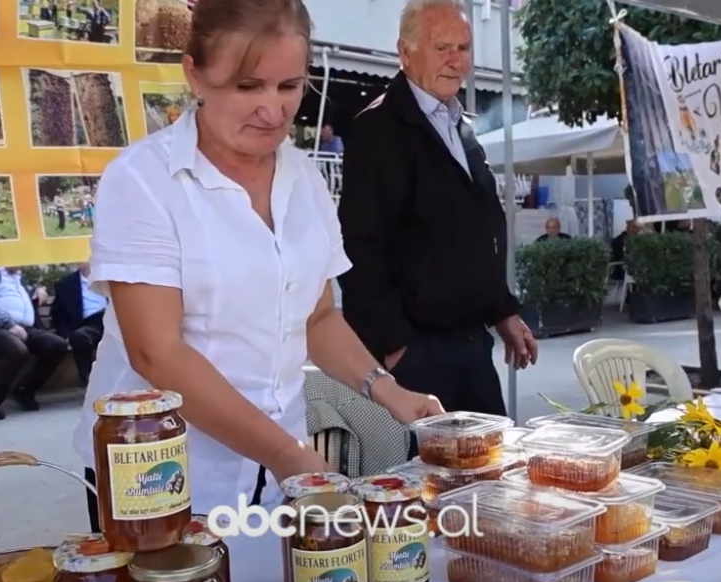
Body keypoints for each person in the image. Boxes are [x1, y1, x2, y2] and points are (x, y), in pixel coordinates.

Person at [71, 0, 444, 529]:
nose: (273, 111)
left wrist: (389, 392)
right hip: (156, 477)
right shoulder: (143, 181)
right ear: (194, 75)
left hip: (275, 474)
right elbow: (157, 353)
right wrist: (286, 454)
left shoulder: (306, 180)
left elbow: (315, 319)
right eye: (248, 87)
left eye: (289, 86)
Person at [338, 0, 536, 432]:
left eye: (463, 47)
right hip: (416, 353)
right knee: (428, 488)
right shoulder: (377, 130)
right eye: (442, 46)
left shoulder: (461, 126)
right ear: (405, 53)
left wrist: (502, 310)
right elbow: (359, 247)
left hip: (470, 343)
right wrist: (394, 349)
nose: (455, 60)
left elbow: (477, 229)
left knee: (494, 474)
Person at [0, 267, 70, 420]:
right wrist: (8, 324)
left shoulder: (16, 275)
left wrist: (38, 289)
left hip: (20, 327)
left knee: (56, 345)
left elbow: (15, 293)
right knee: (15, 349)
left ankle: (24, 390)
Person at [50, 263, 107, 384]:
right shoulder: (66, 284)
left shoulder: (109, 277)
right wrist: (65, 334)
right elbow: (58, 314)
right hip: (90, 325)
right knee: (79, 337)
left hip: (113, 320)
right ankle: (88, 378)